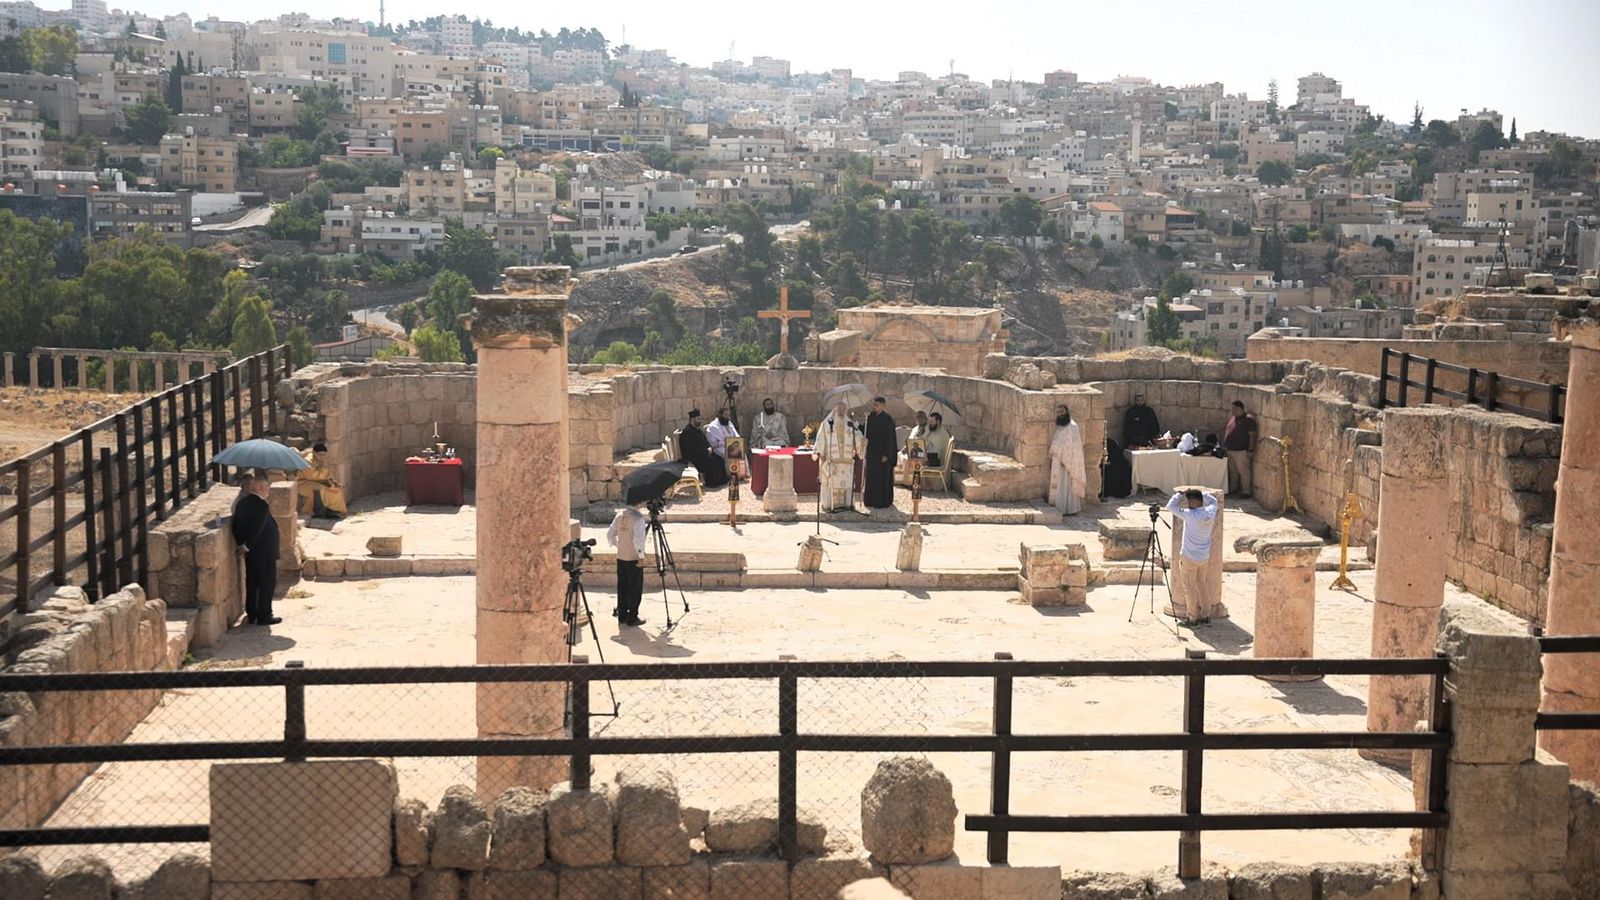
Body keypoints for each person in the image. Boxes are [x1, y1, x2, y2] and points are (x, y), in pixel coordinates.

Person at [230, 474, 282, 626]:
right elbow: (258, 528)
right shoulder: (261, 505)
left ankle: (252, 613)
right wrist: (248, 545)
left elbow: (236, 526)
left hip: (251, 552)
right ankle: (264, 615)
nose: (269, 490)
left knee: (252, 582)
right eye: (267, 487)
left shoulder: (242, 503)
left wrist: (242, 544)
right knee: (266, 583)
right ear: (260, 487)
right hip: (264, 551)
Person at [1165, 488, 1220, 626]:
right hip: (1204, 556)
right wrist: (1202, 493)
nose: (1188, 504)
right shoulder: (1210, 511)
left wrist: (1179, 494)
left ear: (1192, 502)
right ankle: (1206, 615)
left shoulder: (1190, 514)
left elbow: (1170, 506)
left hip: (1189, 556)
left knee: (1189, 587)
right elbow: (1214, 500)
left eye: (1189, 501)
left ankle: (1192, 618)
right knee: (1202, 584)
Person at [605, 500, 648, 627]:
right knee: (634, 588)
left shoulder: (620, 515)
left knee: (622, 586)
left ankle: (622, 615)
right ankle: (632, 617)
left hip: (621, 556)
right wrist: (641, 557)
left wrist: (618, 545)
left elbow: (610, 534)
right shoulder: (638, 519)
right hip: (633, 558)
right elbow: (638, 541)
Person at [815, 401, 863, 511]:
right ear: (835, 409)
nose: (841, 411)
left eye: (844, 409)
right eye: (839, 409)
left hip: (847, 462)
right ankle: (829, 505)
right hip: (832, 461)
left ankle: (847, 504)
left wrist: (862, 442)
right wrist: (821, 456)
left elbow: (858, 436)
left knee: (847, 483)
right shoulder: (827, 424)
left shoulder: (850, 423)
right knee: (831, 483)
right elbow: (820, 440)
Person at [1048, 405, 1087, 516]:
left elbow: (1075, 447)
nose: (1060, 414)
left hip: (1068, 463)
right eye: (1058, 412)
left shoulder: (1073, 427)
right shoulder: (1060, 426)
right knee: (1059, 484)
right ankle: (1058, 506)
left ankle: (1068, 508)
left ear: (1067, 412)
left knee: (1066, 485)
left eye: (1062, 411)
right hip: (1058, 460)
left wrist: (1066, 460)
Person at [294, 442, 346, 518]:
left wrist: (331, 481)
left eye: (324, 454)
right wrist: (325, 474)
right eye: (320, 454)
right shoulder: (308, 461)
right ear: (314, 453)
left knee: (335, 489)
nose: (322, 456)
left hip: (316, 481)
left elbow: (325, 474)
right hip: (303, 483)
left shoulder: (321, 459)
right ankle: (319, 512)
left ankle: (335, 511)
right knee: (321, 489)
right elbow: (313, 476)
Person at [679, 409, 728, 488]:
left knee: (719, 459)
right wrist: (705, 450)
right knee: (712, 462)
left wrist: (709, 447)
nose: (700, 421)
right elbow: (690, 449)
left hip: (703, 454)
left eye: (700, 419)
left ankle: (721, 481)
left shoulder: (697, 430)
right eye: (698, 419)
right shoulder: (687, 432)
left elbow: (705, 442)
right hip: (694, 458)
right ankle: (711, 483)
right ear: (692, 419)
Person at [863, 396, 897, 509]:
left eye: (876, 405)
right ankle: (870, 500)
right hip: (872, 453)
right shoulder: (871, 417)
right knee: (871, 477)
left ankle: (882, 501)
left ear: (883, 406)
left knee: (881, 478)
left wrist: (886, 454)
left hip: (882, 454)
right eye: (874, 405)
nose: (874, 407)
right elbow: (866, 431)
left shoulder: (887, 420)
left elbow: (890, 439)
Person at [1222, 400, 1258, 498]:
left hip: (1241, 450)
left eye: (1234, 409)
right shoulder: (1233, 418)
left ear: (1239, 409)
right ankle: (1233, 488)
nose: (1232, 411)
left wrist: (1251, 449)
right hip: (1230, 449)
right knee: (1233, 471)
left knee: (1243, 471)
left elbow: (1252, 435)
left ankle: (1246, 491)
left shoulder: (1248, 420)